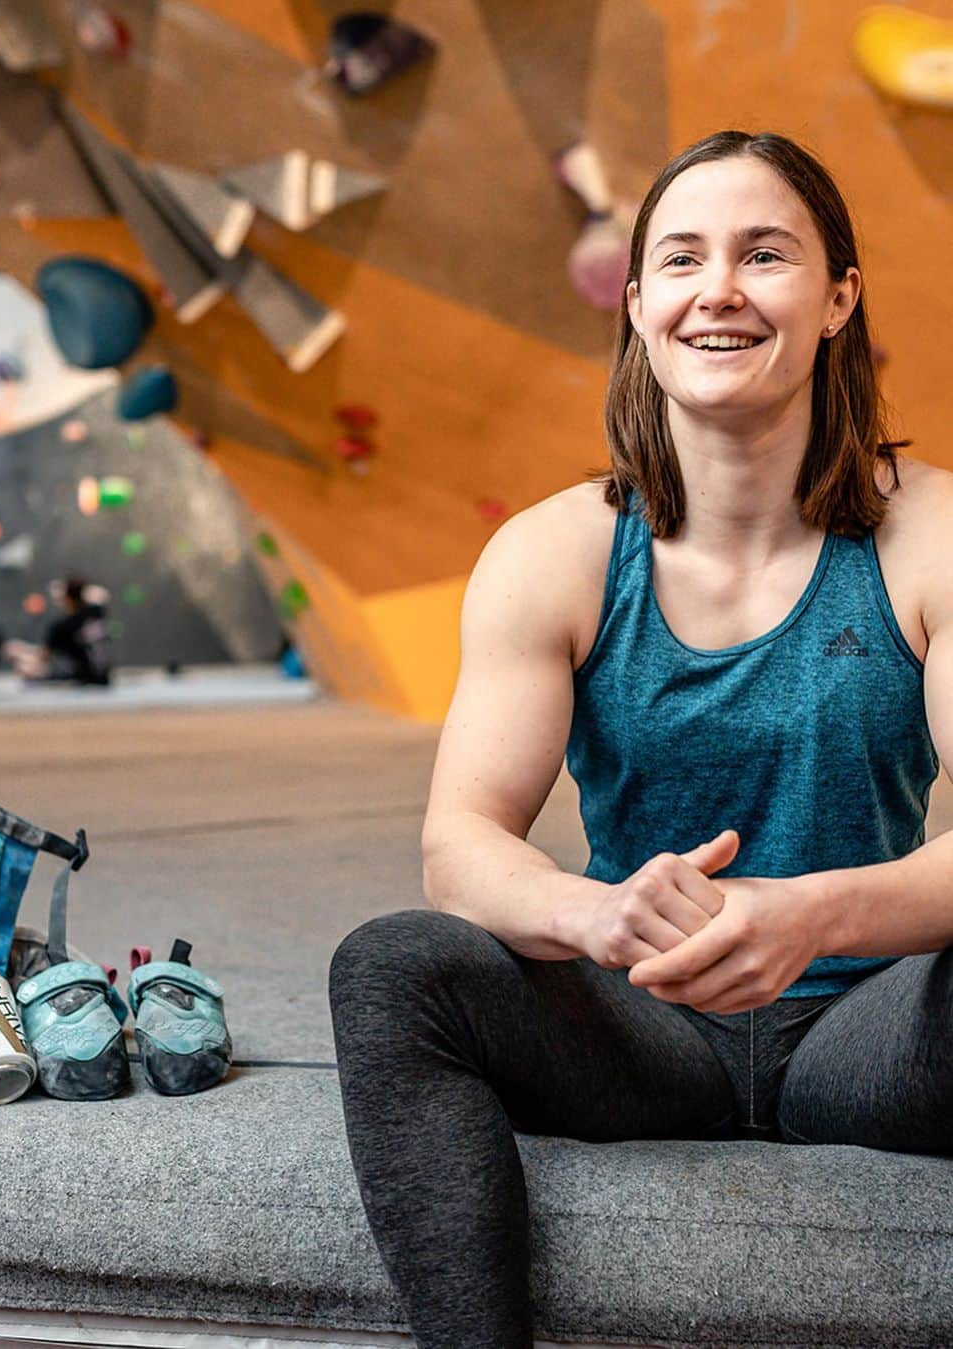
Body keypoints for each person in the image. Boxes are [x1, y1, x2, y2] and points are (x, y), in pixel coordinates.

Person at [327, 129, 953, 1347]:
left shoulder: (928, 534)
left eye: (763, 254)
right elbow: (460, 842)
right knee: (393, 965)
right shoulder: (554, 550)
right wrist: (592, 917)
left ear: (837, 299)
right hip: (644, 1024)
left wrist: (815, 914)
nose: (718, 288)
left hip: (869, 1025)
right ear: (639, 303)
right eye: (681, 259)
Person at [5, 577, 112, 686]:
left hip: (83, 679)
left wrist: (20, 650)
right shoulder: (96, 613)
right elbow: (101, 595)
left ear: (66, 598)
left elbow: (43, 656)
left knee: (28, 673)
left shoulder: (63, 627)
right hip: (103, 678)